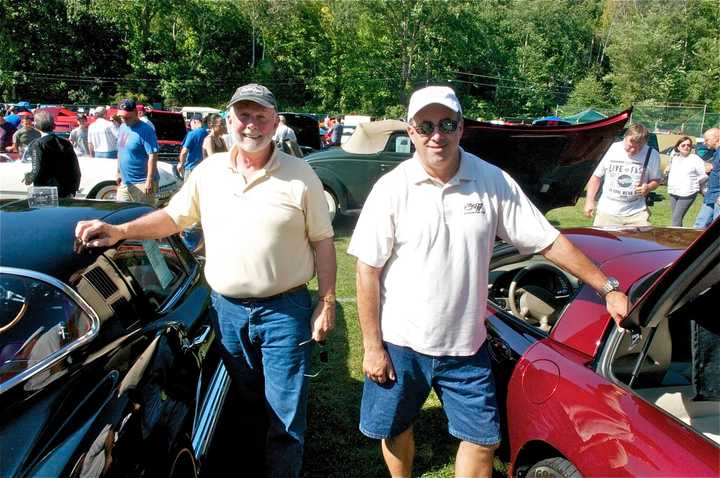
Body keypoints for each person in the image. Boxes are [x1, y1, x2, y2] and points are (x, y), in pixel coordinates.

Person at [347, 85, 629, 478]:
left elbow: (547, 240)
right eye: (425, 125)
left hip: (466, 344)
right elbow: (367, 271)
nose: (436, 135)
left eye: (446, 124)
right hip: (401, 344)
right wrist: (373, 346)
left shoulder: (491, 180)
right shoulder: (391, 189)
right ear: (411, 131)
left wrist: (608, 288)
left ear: (462, 128)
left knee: (482, 439)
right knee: (396, 428)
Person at [75, 83, 336, 477]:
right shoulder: (208, 172)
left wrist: (327, 302)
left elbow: (323, 242)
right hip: (227, 310)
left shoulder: (301, 176)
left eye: (261, 116)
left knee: (284, 412)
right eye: (243, 116)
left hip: (284, 309)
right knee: (245, 404)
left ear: (275, 122)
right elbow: (173, 218)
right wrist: (119, 231)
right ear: (228, 121)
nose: (252, 125)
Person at [583, 124, 661, 227]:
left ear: (645, 143)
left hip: (637, 212)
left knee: (640, 242)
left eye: (638, 148)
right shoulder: (609, 149)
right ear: (625, 137)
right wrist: (589, 201)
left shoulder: (652, 154)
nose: (633, 150)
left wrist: (648, 187)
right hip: (607, 211)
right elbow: (596, 177)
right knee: (603, 242)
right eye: (630, 146)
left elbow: (656, 180)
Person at [22, 110, 80, 198]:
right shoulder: (65, 142)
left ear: (36, 126)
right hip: (66, 190)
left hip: (46, 191)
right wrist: (73, 189)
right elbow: (75, 169)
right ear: (53, 125)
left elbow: (37, 170)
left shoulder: (37, 144)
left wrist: (29, 177)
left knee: (43, 212)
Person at [115, 99, 159, 205]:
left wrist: (149, 180)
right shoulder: (122, 127)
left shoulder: (146, 130)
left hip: (142, 182)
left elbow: (152, 155)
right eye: (121, 117)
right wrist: (118, 172)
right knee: (121, 214)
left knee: (143, 217)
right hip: (125, 182)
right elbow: (120, 151)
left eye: (127, 117)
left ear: (136, 112)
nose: (124, 119)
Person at [665, 136, 708, 227]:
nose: (686, 147)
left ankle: (674, 238)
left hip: (688, 192)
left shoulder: (695, 159)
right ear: (678, 147)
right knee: (676, 217)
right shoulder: (674, 158)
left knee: (676, 218)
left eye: (689, 145)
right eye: (683, 145)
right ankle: (679, 237)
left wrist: (695, 183)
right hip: (674, 191)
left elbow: (703, 175)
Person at [693, 127, 720, 228]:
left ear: (717, 138)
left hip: (718, 196)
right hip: (711, 195)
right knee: (700, 224)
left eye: (707, 140)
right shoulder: (716, 153)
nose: (704, 143)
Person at [177, 113, 208, 179]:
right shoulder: (207, 134)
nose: (190, 127)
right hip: (203, 168)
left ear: (194, 121)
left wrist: (181, 164)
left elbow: (184, 152)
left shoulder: (192, 134)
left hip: (191, 168)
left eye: (190, 124)